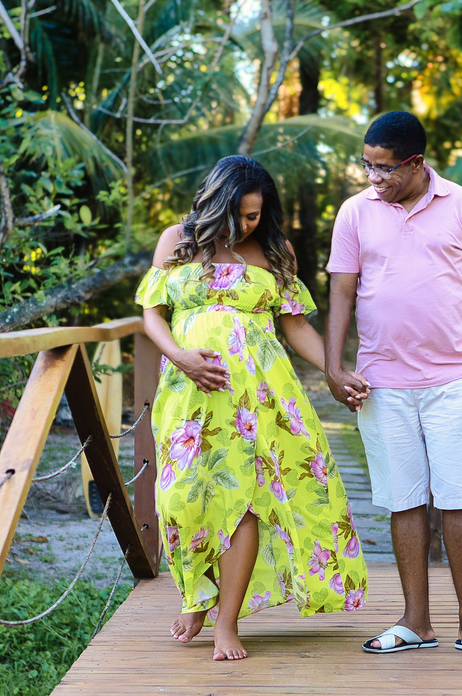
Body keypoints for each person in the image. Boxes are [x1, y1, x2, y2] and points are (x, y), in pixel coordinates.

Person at [137, 155, 371, 662]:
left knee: (243, 501)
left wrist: (334, 369)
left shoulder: (273, 249)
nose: (246, 224)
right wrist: (180, 356)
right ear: (214, 200)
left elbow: (294, 325)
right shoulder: (177, 241)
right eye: (240, 214)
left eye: (254, 215)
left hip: (260, 397)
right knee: (181, 498)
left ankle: (226, 622)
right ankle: (196, 594)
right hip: (190, 390)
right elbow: (152, 314)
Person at [323, 111, 462, 656]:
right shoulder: (356, 212)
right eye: (367, 166)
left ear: (416, 163)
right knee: (403, 499)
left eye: (384, 169)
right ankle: (415, 622)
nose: (374, 178)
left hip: (455, 378)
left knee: (460, 497)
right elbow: (341, 291)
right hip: (382, 380)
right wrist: (334, 366)